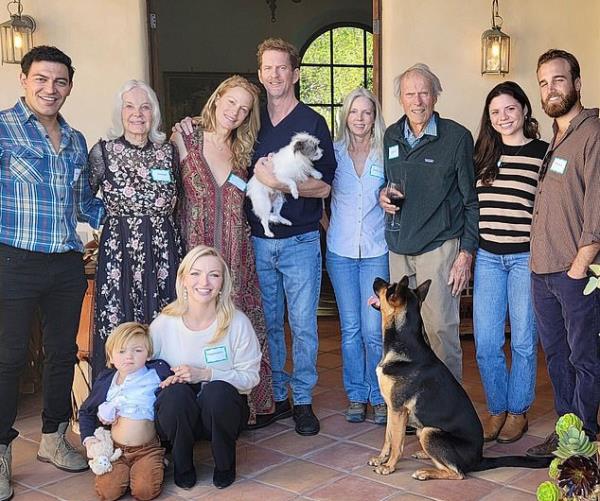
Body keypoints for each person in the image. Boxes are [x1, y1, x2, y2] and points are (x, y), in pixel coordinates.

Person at [0, 45, 105, 501]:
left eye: (59, 81)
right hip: (14, 260)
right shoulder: (3, 130)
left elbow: (86, 205)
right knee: (8, 359)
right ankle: (1, 454)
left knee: (63, 354)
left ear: (69, 87)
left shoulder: (77, 140)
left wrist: (131, 213)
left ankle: (53, 438)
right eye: (41, 79)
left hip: (65, 261)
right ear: (24, 80)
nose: (50, 88)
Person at [171, 75, 274, 426]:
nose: (235, 112)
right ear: (217, 99)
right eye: (231, 102)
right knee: (193, 325)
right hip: (195, 253)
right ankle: (189, 406)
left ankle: (234, 407)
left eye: (244, 109)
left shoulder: (244, 150)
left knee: (234, 329)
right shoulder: (184, 137)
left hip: (234, 256)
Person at [247, 38, 337, 435]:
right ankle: (277, 396)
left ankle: (302, 399)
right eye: (268, 68)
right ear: (260, 74)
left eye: (282, 67)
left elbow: (326, 187)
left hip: (300, 240)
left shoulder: (313, 123)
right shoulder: (251, 120)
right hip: (258, 239)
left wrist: (277, 183)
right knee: (267, 323)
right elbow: (220, 145)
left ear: (295, 73)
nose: (275, 75)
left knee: (302, 324)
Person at [379, 63, 478, 384]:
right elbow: (390, 183)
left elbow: (470, 200)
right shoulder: (392, 135)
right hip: (399, 247)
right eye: (410, 94)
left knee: (440, 330)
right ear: (401, 99)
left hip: (439, 245)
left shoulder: (457, 138)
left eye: (424, 93)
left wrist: (466, 253)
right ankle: (414, 403)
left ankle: (448, 414)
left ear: (436, 96)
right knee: (405, 331)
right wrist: (384, 195)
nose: (417, 100)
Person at [526, 49, 600, 458]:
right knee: (556, 357)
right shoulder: (556, 136)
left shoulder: (593, 134)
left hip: (574, 272)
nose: (550, 89)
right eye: (543, 82)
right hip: (543, 271)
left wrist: (578, 267)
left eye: (558, 80)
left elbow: (597, 209)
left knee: (583, 356)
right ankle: (567, 430)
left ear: (576, 83)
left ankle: (586, 438)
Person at [89, 80, 183, 378]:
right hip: (121, 252)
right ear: (120, 112)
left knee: (165, 319)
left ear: (154, 113)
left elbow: (181, 197)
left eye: (145, 107)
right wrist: (111, 222)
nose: (137, 114)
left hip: (164, 250)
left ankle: (166, 395)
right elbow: (81, 200)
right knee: (120, 320)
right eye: (129, 106)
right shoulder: (103, 152)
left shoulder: (168, 152)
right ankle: (115, 399)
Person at [473, 81, 547, 444]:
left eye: (509, 109)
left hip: (523, 259)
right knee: (486, 342)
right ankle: (496, 407)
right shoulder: (483, 153)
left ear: (524, 110)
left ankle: (518, 411)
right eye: (495, 112)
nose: (503, 118)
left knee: (521, 341)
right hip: (487, 258)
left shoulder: (543, 154)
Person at [150, 245, 261, 490]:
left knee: (216, 391)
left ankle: (225, 465)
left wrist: (207, 374)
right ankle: (183, 465)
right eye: (196, 273)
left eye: (214, 274)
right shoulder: (163, 324)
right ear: (183, 279)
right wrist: (165, 379)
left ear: (223, 282)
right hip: (179, 413)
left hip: (222, 412)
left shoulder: (237, 323)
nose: (205, 282)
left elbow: (251, 377)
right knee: (175, 395)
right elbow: (144, 369)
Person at [326, 88, 388, 424]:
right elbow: (319, 192)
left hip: (377, 252)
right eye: (354, 112)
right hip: (341, 252)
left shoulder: (386, 154)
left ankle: (379, 397)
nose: (360, 118)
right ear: (345, 116)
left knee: (372, 330)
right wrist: (329, 226)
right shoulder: (333, 153)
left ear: (374, 116)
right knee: (350, 328)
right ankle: (356, 395)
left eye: (366, 112)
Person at [79, 322, 171, 501]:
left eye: (137, 350)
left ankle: (154, 464)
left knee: (144, 492)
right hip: (115, 450)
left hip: (147, 449)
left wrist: (175, 379)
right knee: (108, 492)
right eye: (121, 351)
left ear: (149, 354)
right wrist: (89, 439)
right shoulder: (107, 381)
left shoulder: (157, 373)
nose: (129, 356)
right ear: (111, 357)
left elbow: (180, 393)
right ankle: (127, 473)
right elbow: (86, 411)